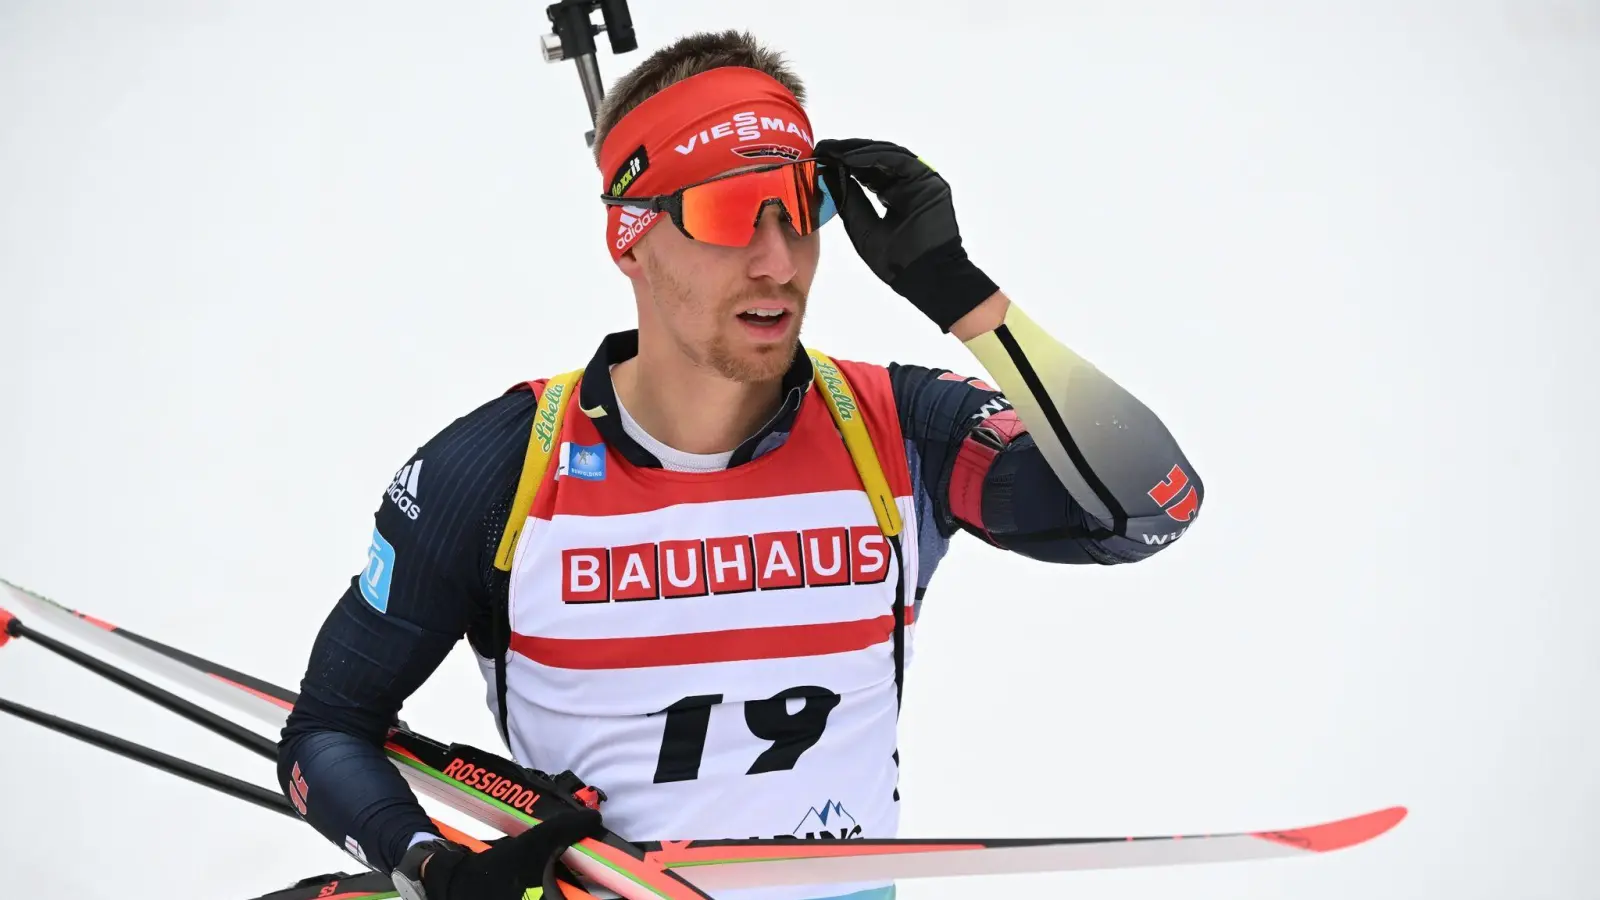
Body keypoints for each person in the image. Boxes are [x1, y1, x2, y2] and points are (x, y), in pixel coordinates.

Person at [276, 28, 1204, 900]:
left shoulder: (900, 431)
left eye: (801, 209)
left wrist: (961, 294)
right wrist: (432, 866)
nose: (778, 261)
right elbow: (326, 731)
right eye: (727, 212)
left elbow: (1145, 508)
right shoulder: (500, 469)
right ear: (629, 237)